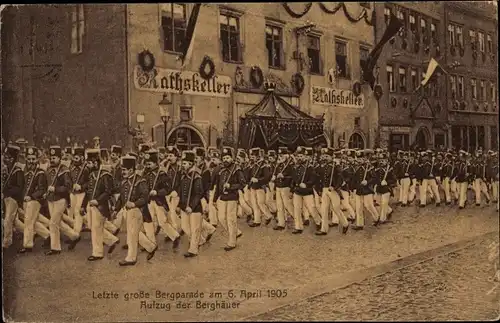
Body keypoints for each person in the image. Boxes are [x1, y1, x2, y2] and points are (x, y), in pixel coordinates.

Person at [114, 155, 157, 266]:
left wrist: (134, 203)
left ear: (131, 170)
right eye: (122, 169)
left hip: (137, 210)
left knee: (132, 234)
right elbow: (121, 198)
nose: (122, 172)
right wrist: (116, 209)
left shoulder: (139, 181)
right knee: (134, 232)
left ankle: (131, 258)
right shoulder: (124, 182)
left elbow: (145, 197)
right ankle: (151, 247)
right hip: (126, 211)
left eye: (124, 170)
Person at [83, 149, 120, 261]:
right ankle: (111, 240)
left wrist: (98, 201)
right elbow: (88, 191)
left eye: (89, 163)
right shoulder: (91, 174)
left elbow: (108, 192)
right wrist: (83, 205)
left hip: (101, 206)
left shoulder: (105, 175)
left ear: (95, 163)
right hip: (91, 205)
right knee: (93, 227)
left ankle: (97, 253)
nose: (87, 165)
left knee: (96, 229)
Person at [45, 146, 81, 255]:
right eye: (51, 157)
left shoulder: (64, 170)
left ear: (60, 158)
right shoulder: (49, 169)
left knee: (52, 223)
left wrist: (55, 189)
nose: (52, 159)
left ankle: (55, 248)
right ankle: (74, 236)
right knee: (58, 223)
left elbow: (67, 187)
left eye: (55, 157)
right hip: (50, 199)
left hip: (61, 199)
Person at [212, 147, 246, 251]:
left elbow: (242, 183)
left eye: (228, 157)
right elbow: (218, 185)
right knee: (221, 218)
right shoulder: (221, 170)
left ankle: (232, 242)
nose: (226, 159)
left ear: (232, 158)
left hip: (232, 197)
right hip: (222, 197)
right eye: (224, 158)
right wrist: (214, 199)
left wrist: (230, 186)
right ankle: (236, 232)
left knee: (231, 219)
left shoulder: (237, 169)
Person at [177, 150, 205, 257]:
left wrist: (191, 207)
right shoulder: (183, 175)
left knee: (195, 228)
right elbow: (181, 192)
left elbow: (198, 193)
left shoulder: (196, 176)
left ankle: (193, 250)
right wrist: (180, 205)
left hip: (195, 208)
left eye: (184, 163)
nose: (182, 165)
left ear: (190, 164)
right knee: (185, 227)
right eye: (182, 163)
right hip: (185, 207)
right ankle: (200, 240)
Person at [2, 144, 24, 249]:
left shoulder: (18, 170)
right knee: (14, 221)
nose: (6, 159)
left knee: (8, 220)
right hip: (7, 198)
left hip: (14, 199)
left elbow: (19, 188)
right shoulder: (9, 168)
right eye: (6, 157)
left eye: (9, 157)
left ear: (13, 158)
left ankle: (6, 242)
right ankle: (30, 233)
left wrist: (7, 192)